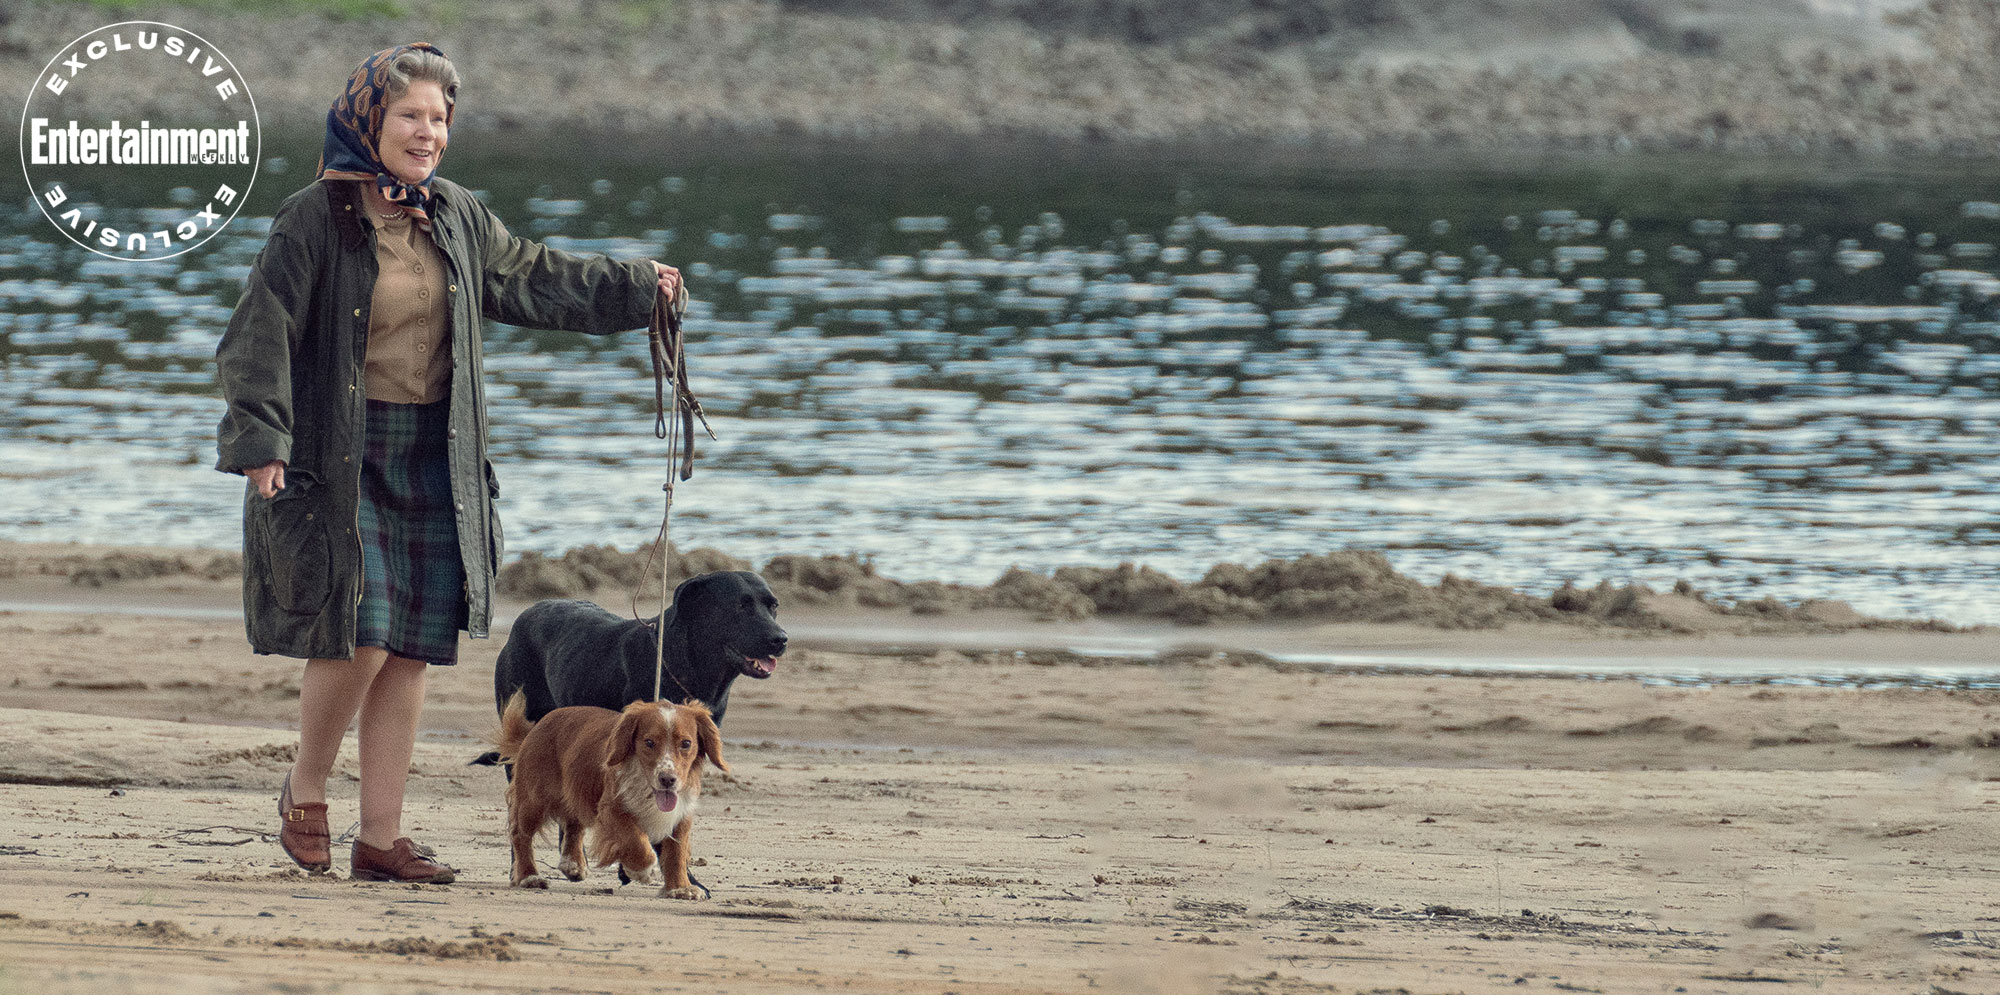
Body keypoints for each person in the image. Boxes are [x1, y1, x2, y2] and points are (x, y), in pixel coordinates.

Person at [213, 43, 680, 882]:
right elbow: (260, 331)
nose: (427, 133)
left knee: (412, 646)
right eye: (409, 117)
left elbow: (534, 276)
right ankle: (307, 790)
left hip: (439, 459)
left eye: (439, 119)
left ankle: (380, 838)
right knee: (360, 630)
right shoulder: (313, 218)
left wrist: (636, 286)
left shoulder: (455, 213)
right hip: (339, 459)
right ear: (369, 123)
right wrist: (260, 439)